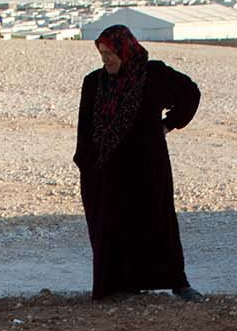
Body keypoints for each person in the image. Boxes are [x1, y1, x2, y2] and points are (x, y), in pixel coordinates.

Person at [74, 25, 206, 302]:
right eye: (102, 54)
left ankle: (177, 283)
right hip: (107, 170)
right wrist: (86, 162)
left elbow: (189, 94)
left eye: (110, 53)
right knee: (113, 225)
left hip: (147, 167)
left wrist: (168, 124)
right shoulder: (94, 82)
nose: (106, 60)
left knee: (157, 222)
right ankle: (120, 286)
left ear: (126, 50)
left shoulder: (153, 75)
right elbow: (85, 127)